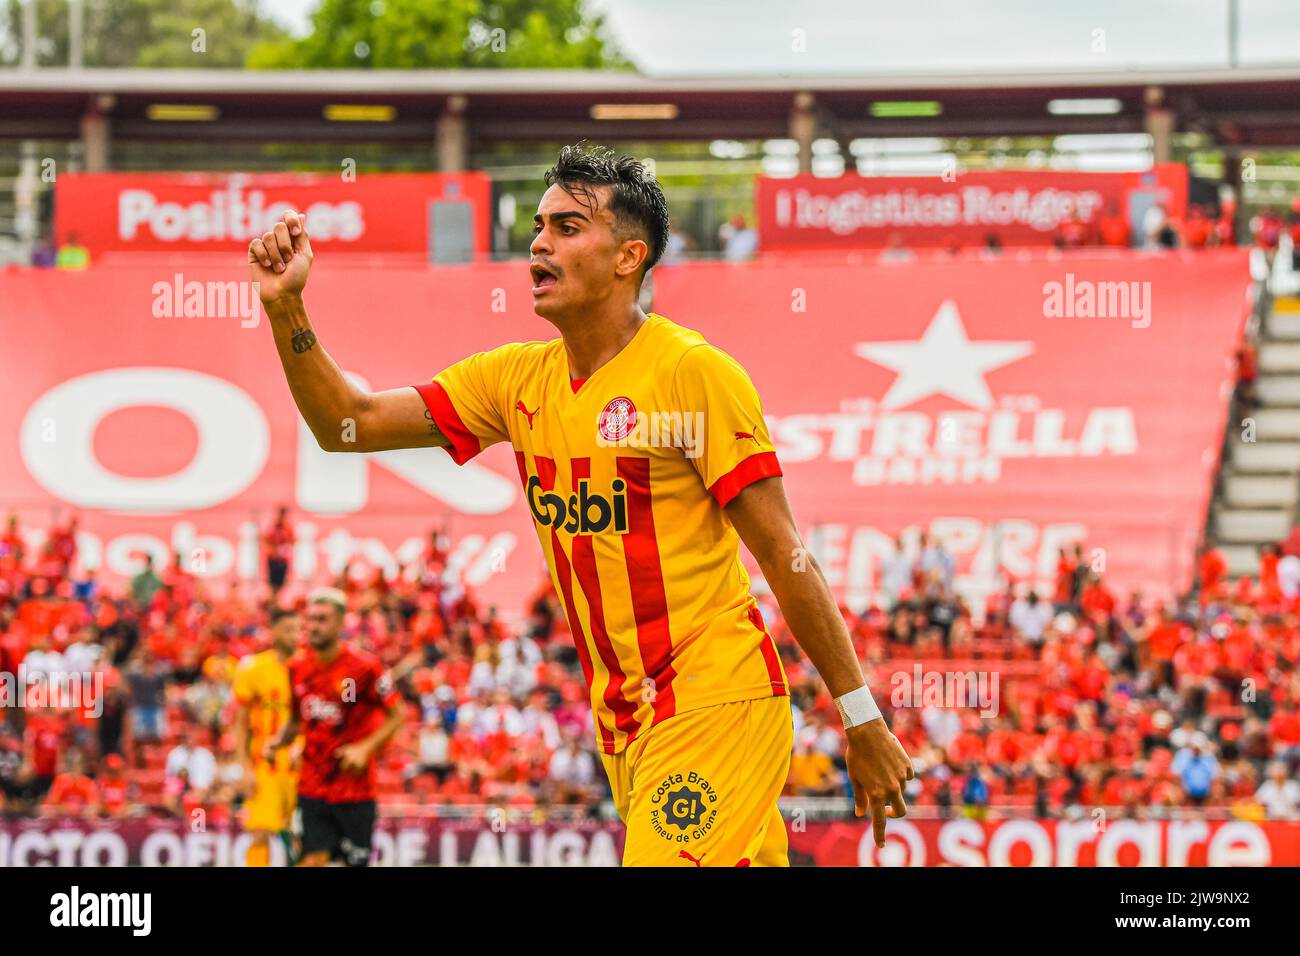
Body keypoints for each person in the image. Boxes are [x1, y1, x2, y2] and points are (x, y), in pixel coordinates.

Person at [248, 142, 913, 867]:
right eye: (539, 226)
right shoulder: (513, 381)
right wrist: (287, 308)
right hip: (623, 724)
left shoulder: (693, 374)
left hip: (713, 698)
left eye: (567, 227)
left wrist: (860, 717)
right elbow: (349, 422)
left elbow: (787, 555)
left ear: (628, 257)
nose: (539, 242)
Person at [264, 589, 404, 867]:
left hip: (355, 788)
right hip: (312, 785)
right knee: (311, 861)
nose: (314, 626)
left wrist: (365, 749)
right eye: (311, 619)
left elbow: (398, 715)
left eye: (322, 619)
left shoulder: (366, 667)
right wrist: (277, 742)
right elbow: (295, 720)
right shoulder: (297, 667)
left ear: (341, 623)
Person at [233, 605, 302, 867]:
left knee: (302, 835)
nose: (294, 635)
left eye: (297, 629)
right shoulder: (253, 668)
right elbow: (240, 724)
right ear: (273, 632)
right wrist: (244, 768)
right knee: (260, 832)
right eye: (287, 629)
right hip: (265, 765)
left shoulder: (310, 667)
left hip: (302, 766)